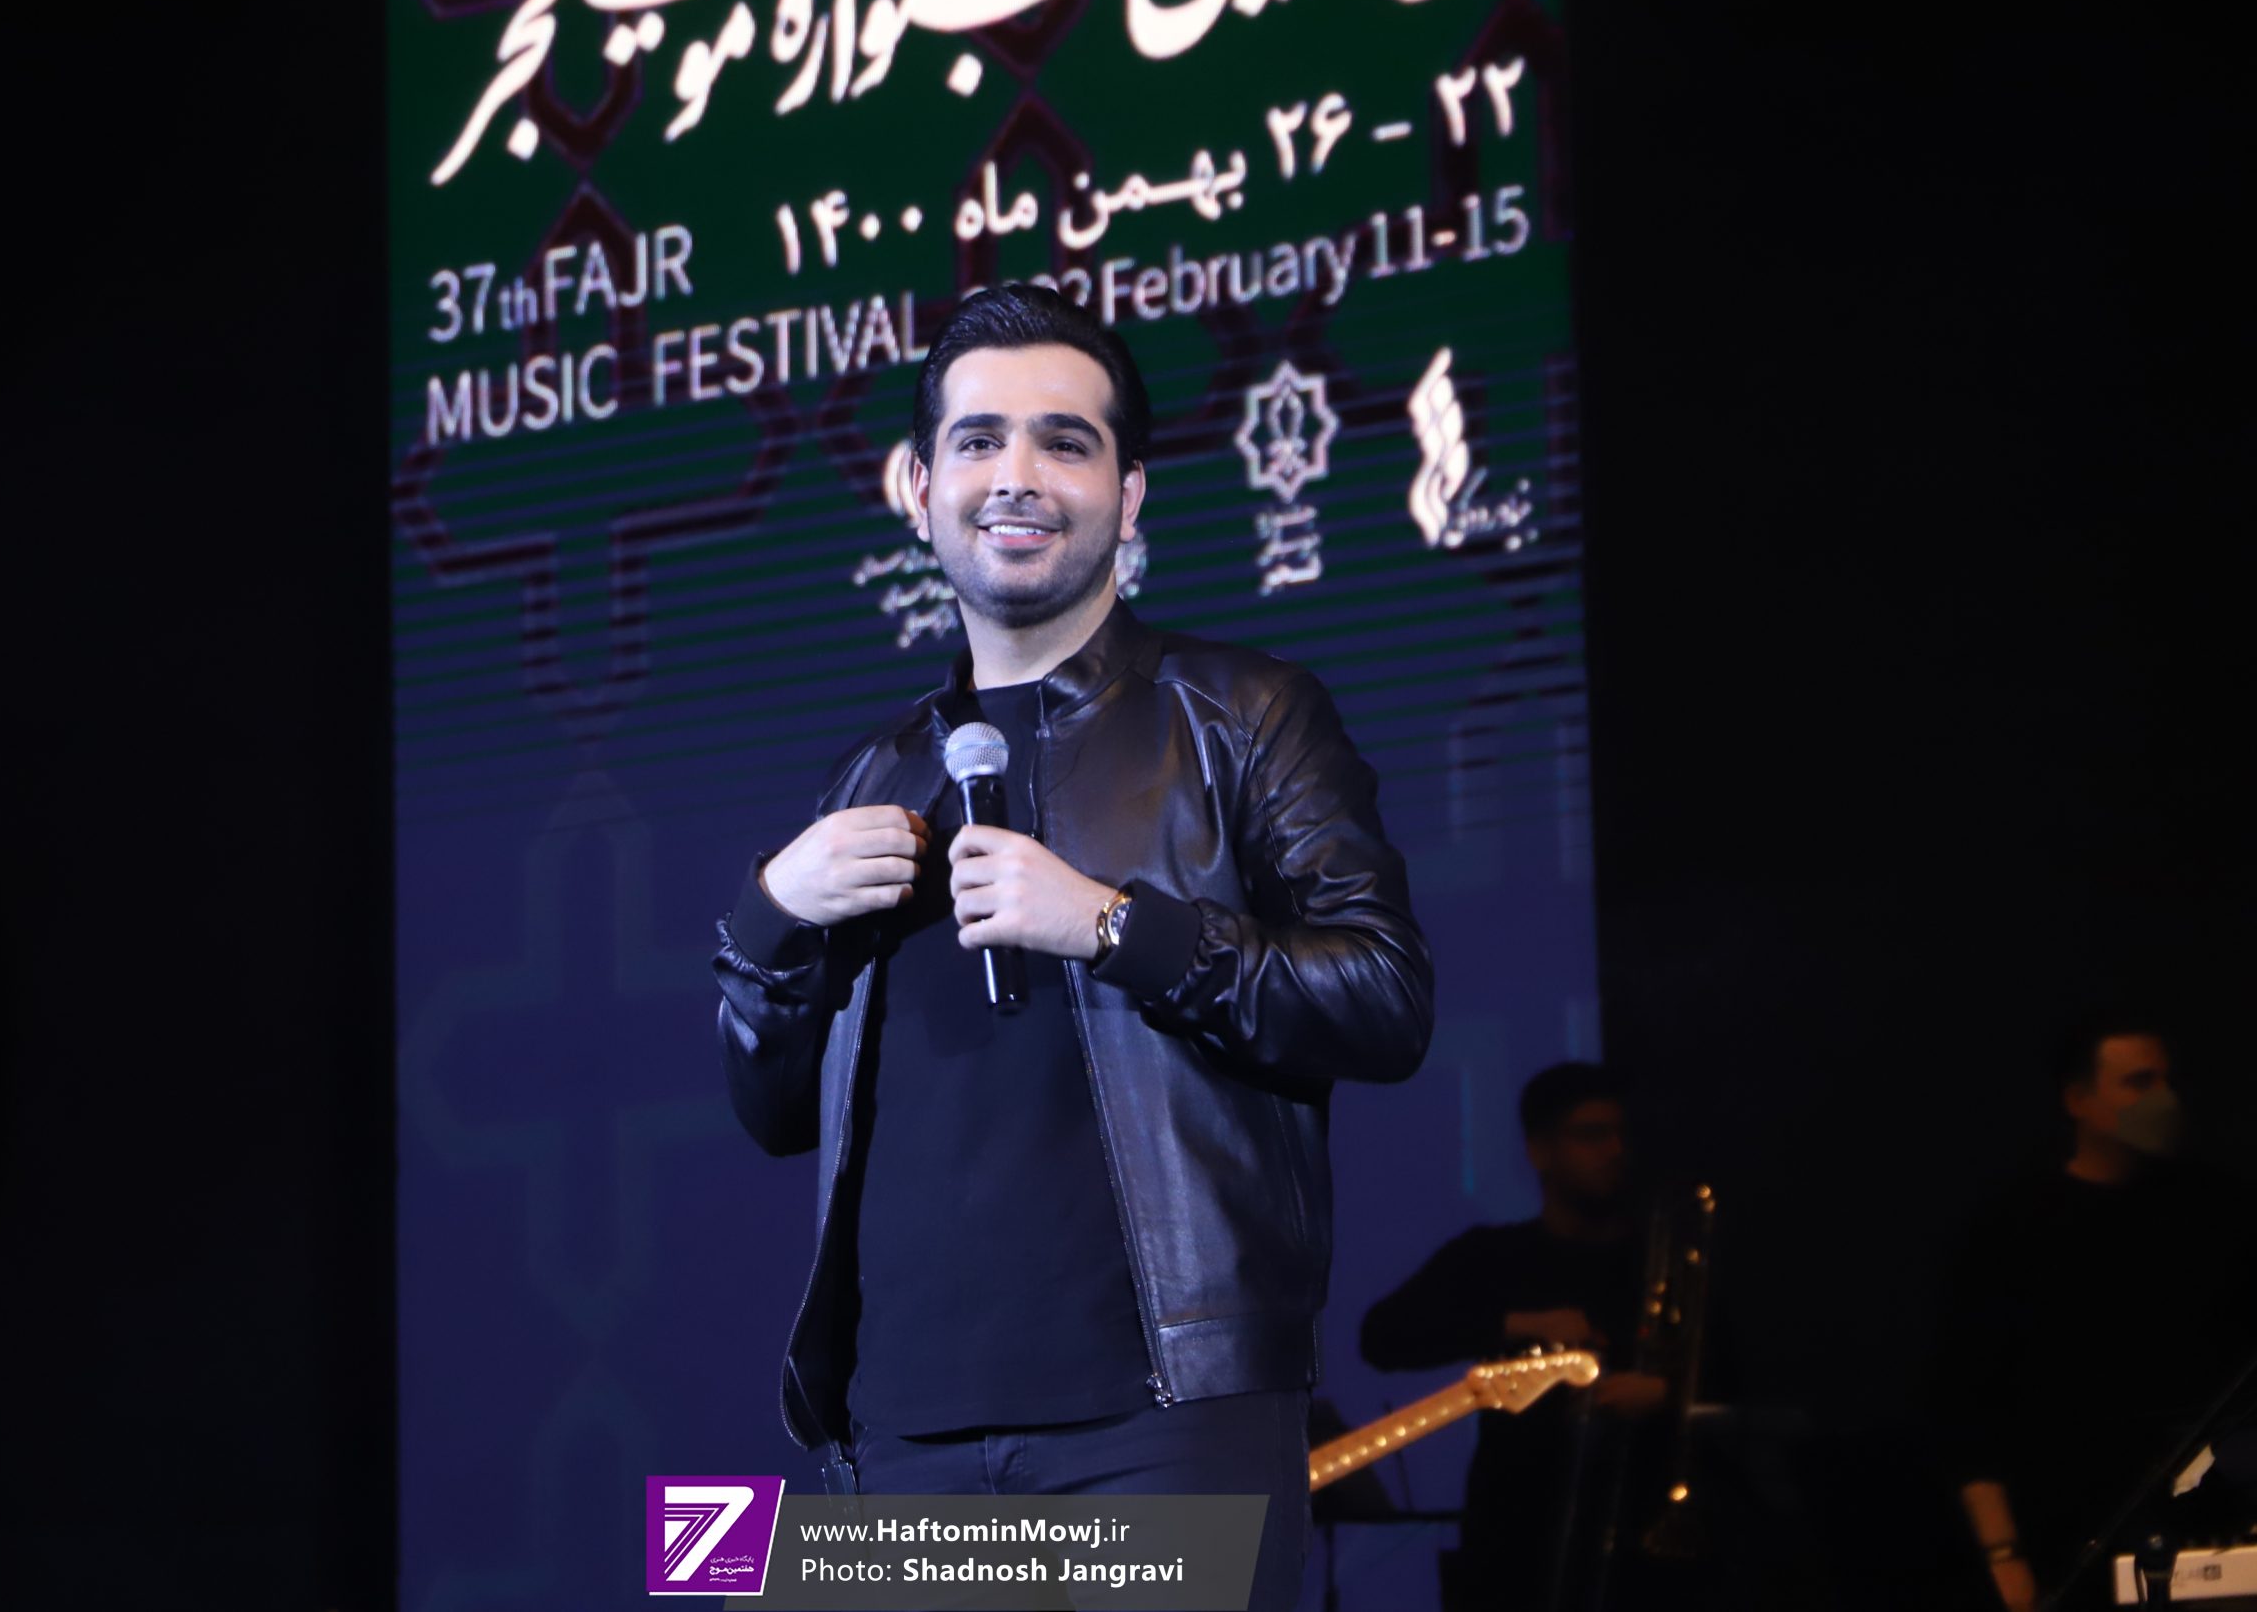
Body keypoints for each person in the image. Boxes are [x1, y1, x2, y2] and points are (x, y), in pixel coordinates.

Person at [712, 283, 1435, 1612]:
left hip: (1161, 1429)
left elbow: (1382, 998)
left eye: (1065, 440)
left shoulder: (1242, 715)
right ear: (917, 487)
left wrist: (1111, 924)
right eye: (978, 440)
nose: (1018, 475)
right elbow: (772, 1111)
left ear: (1130, 493)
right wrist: (766, 915)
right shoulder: (873, 773)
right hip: (900, 1437)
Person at [1933, 1022, 2257, 1612]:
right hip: (2068, 1546)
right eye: (2139, 1082)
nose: (2163, 1100)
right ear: (2077, 1098)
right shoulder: (2016, 1229)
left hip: (2205, 1540)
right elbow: (1968, 1408)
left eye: (2166, 1082)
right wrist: (2005, 1558)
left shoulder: (2217, 1215)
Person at [1358, 1062, 1673, 1612]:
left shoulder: (1660, 1262)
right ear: (1539, 1151)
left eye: (1619, 1134)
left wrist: (1664, 1396)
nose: (1614, 1151)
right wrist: (1519, 1323)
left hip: (1641, 1544)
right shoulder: (1494, 1257)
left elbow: (1729, 1379)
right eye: (1591, 1135)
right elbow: (1383, 1336)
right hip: (1513, 1546)